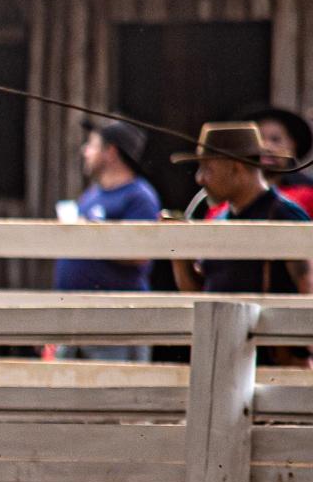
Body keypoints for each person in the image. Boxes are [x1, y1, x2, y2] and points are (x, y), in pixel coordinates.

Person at [168, 121, 312, 325]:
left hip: (269, 350)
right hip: (223, 341)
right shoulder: (219, 219)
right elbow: (203, 295)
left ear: (236, 168)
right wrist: (178, 253)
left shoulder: (284, 215)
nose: (200, 178)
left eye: (208, 168)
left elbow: (307, 288)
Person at [52, 117, 162, 362]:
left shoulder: (138, 196)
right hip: (74, 320)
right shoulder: (91, 195)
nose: (84, 151)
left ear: (110, 152)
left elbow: (140, 254)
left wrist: (88, 234)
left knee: (114, 394)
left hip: (115, 324)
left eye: (91, 145)